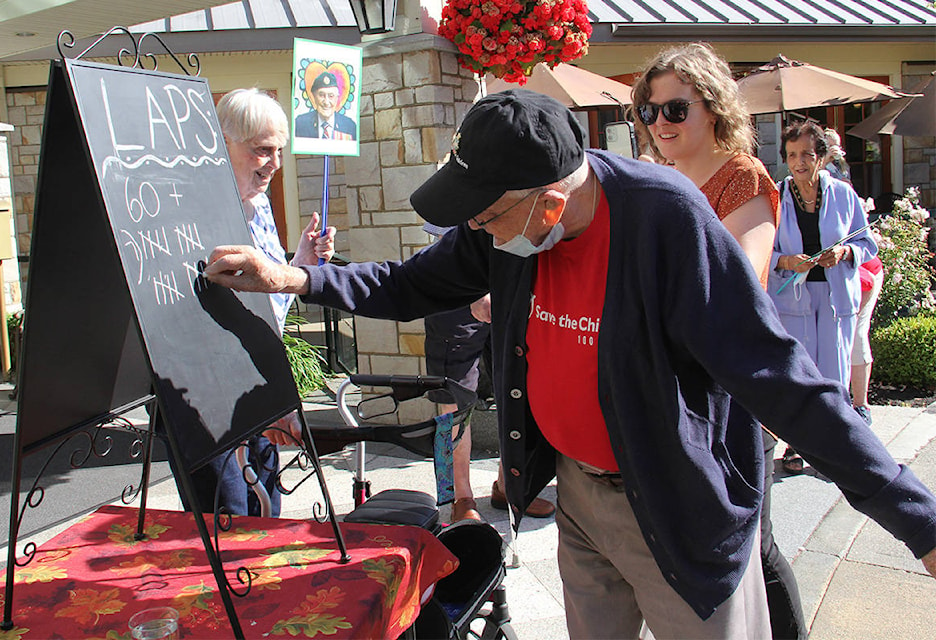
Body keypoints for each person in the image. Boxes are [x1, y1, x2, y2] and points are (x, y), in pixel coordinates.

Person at [205, 89, 936, 639]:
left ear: (551, 204)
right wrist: (293, 277)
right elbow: (413, 282)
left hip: (676, 506)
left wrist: (920, 522)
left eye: (486, 217)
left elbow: (786, 383)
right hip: (579, 500)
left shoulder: (665, 223)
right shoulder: (507, 225)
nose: (474, 232)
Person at [632, 42, 804, 640]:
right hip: (676, 396)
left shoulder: (743, 177)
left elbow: (741, 275)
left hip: (734, 392)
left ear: (712, 107)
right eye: (649, 112)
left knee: (752, 547)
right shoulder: (655, 180)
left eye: (674, 110)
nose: (660, 125)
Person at [182, 88, 335, 518]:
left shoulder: (260, 204)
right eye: (262, 150)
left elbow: (265, 301)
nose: (275, 164)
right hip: (207, 394)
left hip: (258, 378)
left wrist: (301, 264)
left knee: (268, 509)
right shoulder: (191, 210)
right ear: (224, 142)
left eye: (280, 151)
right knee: (227, 516)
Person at [767, 120, 877, 475]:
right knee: (800, 377)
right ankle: (797, 447)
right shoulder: (776, 197)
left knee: (833, 376)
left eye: (807, 155)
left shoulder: (844, 195)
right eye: (792, 155)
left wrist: (844, 253)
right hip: (792, 301)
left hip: (834, 298)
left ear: (822, 157)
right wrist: (786, 261)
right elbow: (758, 251)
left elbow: (866, 243)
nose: (799, 162)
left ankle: (834, 450)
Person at [423, 287, 555, 523]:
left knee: (518, 388)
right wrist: (472, 291)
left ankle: (510, 488)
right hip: (455, 295)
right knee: (453, 401)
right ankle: (459, 498)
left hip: (510, 294)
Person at [851, 255, 885, 424]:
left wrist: (852, 318)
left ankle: (861, 406)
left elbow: (868, 282)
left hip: (866, 276)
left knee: (855, 334)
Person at [293, 72, 357, 141]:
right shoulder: (300, 123)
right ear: (314, 97)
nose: (326, 102)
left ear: (337, 98)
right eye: (321, 95)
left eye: (331, 96)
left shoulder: (349, 126)